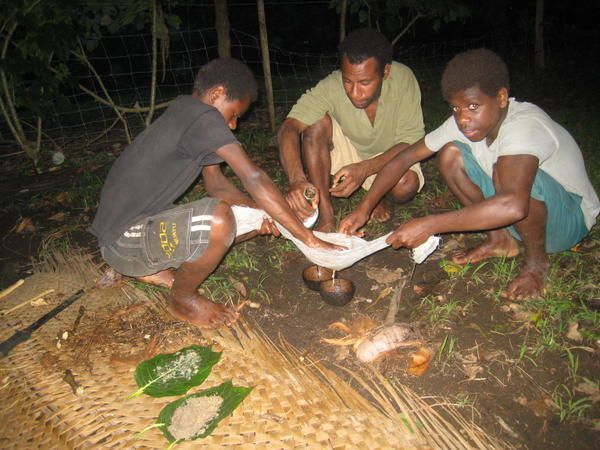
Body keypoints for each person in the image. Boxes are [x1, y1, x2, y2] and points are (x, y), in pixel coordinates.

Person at [90, 58, 340, 329]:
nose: (233, 125)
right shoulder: (202, 116)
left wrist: (265, 214)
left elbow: (217, 183)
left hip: (133, 231)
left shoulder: (187, 114)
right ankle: (182, 299)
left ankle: (151, 268)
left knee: (246, 218)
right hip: (123, 240)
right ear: (217, 94)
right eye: (234, 114)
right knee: (219, 220)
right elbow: (253, 176)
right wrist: (308, 238)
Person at [339, 48, 599, 300]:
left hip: (566, 221)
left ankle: (536, 266)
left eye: (473, 106)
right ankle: (500, 240)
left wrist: (429, 225)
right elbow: (405, 158)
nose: (463, 119)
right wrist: (364, 207)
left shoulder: (525, 126)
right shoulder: (464, 122)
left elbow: (514, 204)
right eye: (456, 108)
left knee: (507, 173)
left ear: (500, 98)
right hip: (515, 212)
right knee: (450, 153)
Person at [278, 28, 425, 232]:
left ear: (385, 72)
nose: (355, 93)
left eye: (365, 82)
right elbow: (289, 128)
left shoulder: (403, 79)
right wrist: (297, 179)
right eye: (348, 81)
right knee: (315, 122)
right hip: (351, 151)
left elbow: (413, 142)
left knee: (405, 185)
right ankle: (326, 213)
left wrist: (365, 169)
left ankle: (377, 196)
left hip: (392, 156)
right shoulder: (331, 85)